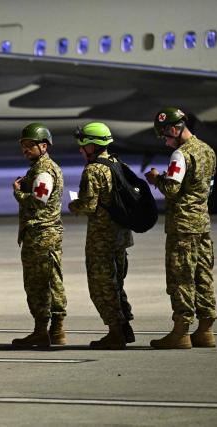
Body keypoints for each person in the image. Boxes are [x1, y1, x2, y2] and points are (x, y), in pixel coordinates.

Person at [145, 107, 217, 349]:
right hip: (202, 224)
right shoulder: (207, 150)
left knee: (181, 278)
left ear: (175, 130)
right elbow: (206, 186)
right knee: (203, 276)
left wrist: (156, 179)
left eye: (166, 136)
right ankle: (206, 331)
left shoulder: (180, 155)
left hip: (183, 227)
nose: (165, 142)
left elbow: (172, 189)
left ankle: (181, 331)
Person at [68, 122, 134, 350]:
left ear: (92, 145)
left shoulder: (94, 170)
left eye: (82, 145)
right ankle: (125, 327)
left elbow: (89, 205)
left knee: (101, 286)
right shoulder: (117, 163)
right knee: (117, 283)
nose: (80, 150)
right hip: (121, 236)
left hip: (101, 239)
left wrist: (73, 205)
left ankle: (115, 332)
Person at [11, 124, 67, 348]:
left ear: (43, 146)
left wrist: (18, 192)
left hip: (40, 234)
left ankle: (42, 330)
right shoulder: (44, 168)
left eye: (30, 145)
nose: (25, 149)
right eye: (23, 145)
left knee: (38, 284)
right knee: (52, 281)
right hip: (46, 233)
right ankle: (55, 329)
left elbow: (38, 200)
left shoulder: (43, 170)